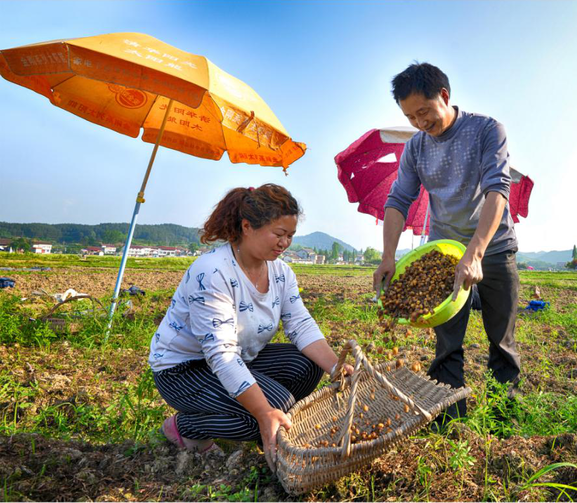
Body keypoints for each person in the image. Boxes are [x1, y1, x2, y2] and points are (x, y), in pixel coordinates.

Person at [149, 184, 352, 471]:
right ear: (247, 227)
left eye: (290, 236)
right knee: (275, 404)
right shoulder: (213, 272)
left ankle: (264, 425)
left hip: (240, 359)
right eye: (279, 234)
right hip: (183, 370)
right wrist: (263, 410)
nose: (285, 243)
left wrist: (337, 367)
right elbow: (220, 354)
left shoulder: (281, 273)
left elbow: (301, 324)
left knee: (306, 365)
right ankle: (185, 426)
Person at [373, 62, 521, 427]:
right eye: (410, 116)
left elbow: (497, 189)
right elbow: (397, 201)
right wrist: (388, 257)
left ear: (444, 96)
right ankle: (448, 419)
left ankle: (506, 418)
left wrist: (475, 253)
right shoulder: (416, 149)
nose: (420, 123)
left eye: (424, 112)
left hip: (494, 247)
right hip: (442, 253)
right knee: (447, 342)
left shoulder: (487, 130)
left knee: (501, 339)